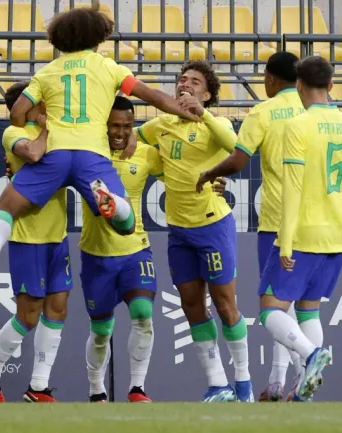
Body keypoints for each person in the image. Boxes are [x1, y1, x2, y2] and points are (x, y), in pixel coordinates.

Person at [0, 5, 198, 288]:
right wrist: (184, 111)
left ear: (60, 38)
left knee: (5, 206)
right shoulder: (108, 67)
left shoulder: (47, 72)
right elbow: (151, 95)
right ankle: (111, 201)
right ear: (97, 36)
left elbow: (17, 111)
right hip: (91, 154)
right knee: (126, 224)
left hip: (54, 153)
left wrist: (35, 128)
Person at [83, 96, 228, 403]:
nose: (121, 132)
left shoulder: (147, 154)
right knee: (101, 331)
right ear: (103, 127)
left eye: (127, 126)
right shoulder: (86, 155)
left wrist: (215, 181)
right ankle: (97, 389)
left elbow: (180, 179)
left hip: (136, 250)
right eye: (114, 126)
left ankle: (137, 388)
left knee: (143, 314)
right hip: (96, 253)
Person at [257, 55, 342, 402]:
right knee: (309, 309)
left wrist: (286, 241)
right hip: (336, 236)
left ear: (298, 86)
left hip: (304, 233)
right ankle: (304, 387)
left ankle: (310, 357)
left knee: (269, 309)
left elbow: (292, 188)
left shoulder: (297, 126)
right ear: (332, 86)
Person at [137, 60, 253, 402]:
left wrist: (201, 114)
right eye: (182, 79)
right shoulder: (161, 125)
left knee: (225, 304)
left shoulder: (215, 123)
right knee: (191, 305)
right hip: (179, 231)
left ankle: (244, 383)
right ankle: (218, 384)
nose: (185, 84)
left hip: (213, 226)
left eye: (194, 81)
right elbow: (129, 138)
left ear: (207, 93)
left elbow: (236, 146)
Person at [196, 52, 309, 402]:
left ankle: (304, 368)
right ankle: (278, 380)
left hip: (278, 219)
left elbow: (239, 158)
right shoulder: (315, 108)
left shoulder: (263, 111)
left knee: (274, 305)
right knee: (299, 306)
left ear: (271, 80)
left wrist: (212, 172)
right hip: (317, 218)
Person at [0, 81, 69, 403]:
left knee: (57, 310)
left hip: (58, 236)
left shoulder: (52, 129)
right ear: (22, 107)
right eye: (36, 100)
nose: (43, 103)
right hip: (28, 238)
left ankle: (38, 387)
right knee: (28, 317)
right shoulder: (12, 134)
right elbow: (33, 153)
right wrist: (47, 131)